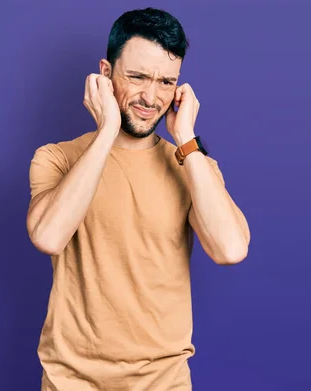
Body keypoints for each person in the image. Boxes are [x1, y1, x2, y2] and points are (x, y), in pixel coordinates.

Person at [26, 7, 251, 391]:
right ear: (106, 72)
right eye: (137, 76)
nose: (151, 96)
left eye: (166, 81)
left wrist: (187, 140)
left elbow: (230, 249)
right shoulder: (57, 158)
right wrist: (108, 130)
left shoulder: (191, 165)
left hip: (163, 383)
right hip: (72, 382)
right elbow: (48, 237)